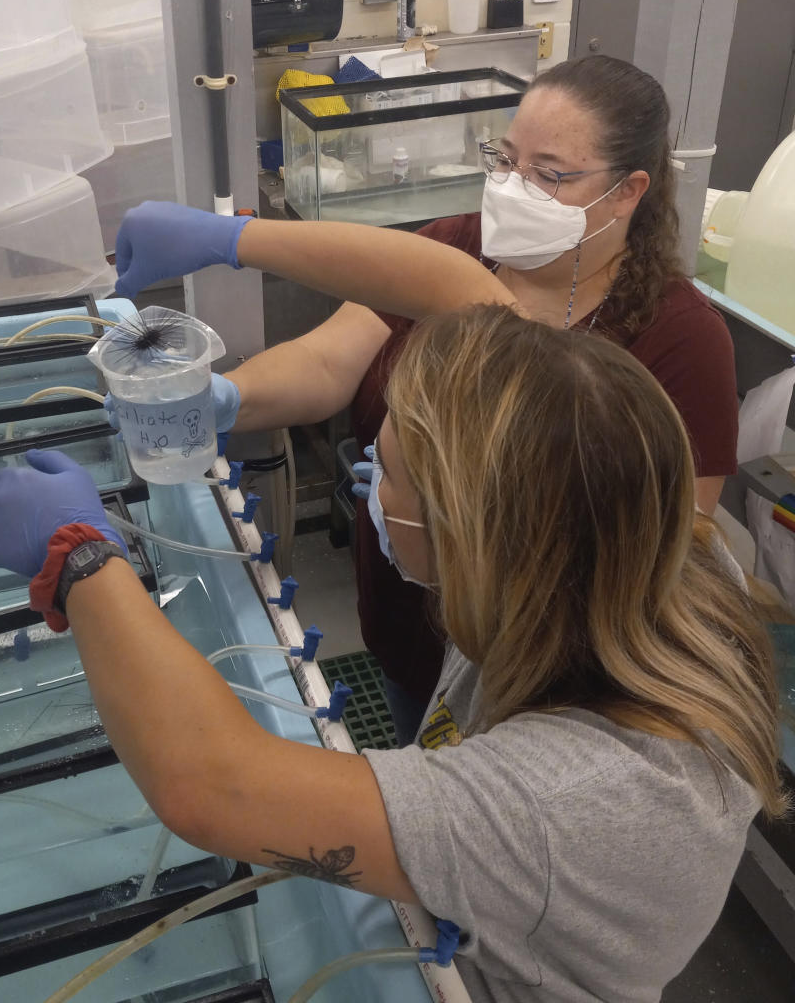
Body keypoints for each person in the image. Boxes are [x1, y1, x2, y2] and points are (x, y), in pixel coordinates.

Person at [0, 302, 785, 1003]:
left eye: (390, 474)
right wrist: (233, 242)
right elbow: (469, 299)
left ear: (474, 539)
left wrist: (80, 555)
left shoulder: (569, 803)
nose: (370, 486)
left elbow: (211, 787)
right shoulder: (646, 546)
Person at [114, 56, 740, 744]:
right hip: (410, 626)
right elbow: (328, 359)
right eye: (504, 160)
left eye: (549, 174)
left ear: (628, 191)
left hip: (548, 673)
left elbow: (675, 545)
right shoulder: (456, 246)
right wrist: (225, 398)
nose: (512, 188)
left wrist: (462, 520)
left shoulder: (681, 338)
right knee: (422, 736)